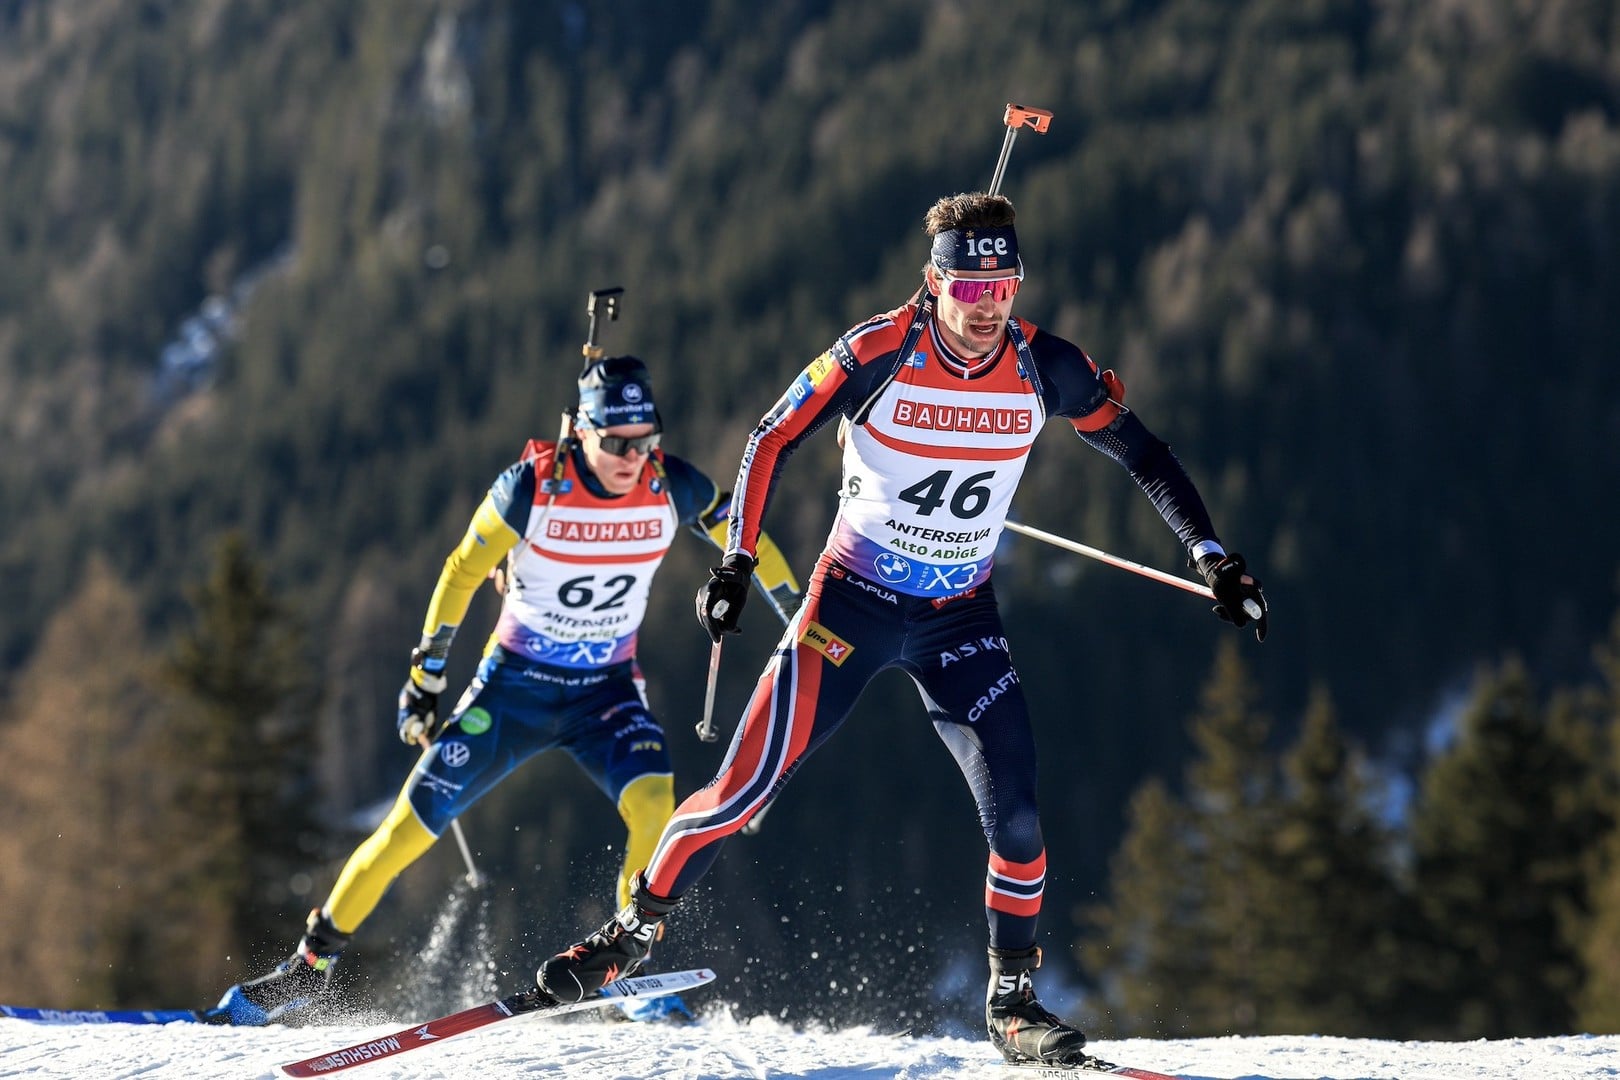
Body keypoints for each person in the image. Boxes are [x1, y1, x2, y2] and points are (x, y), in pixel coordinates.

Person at [535, 194, 1269, 1066]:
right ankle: (631, 933)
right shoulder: (880, 350)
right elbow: (771, 438)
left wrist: (1211, 556)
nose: (988, 302)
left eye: (1003, 282)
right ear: (935, 281)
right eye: (969, 283)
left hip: (960, 618)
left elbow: (1141, 450)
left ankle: (1012, 1004)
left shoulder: (1047, 366)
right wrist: (734, 562)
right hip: (850, 606)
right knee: (739, 789)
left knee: (1021, 817)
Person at [206, 355, 800, 1026]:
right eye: (616, 442)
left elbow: (749, 543)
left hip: (604, 695)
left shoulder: (673, 486)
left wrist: (800, 613)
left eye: (646, 439)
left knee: (656, 806)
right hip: (512, 692)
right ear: (581, 432)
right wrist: (425, 677)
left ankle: (622, 962)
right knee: (405, 830)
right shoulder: (532, 487)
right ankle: (306, 971)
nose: (633, 456)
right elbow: (462, 571)